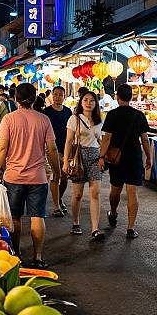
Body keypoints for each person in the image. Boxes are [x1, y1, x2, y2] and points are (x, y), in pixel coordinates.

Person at [0, 83, 60, 268]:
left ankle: (17, 253)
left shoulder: (8, 119)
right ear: (35, 98)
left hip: (13, 176)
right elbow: (52, 149)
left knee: (14, 217)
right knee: (37, 216)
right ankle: (38, 256)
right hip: (38, 177)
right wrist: (57, 170)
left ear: (15, 98)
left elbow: (2, 147)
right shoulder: (44, 119)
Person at [99, 84, 152, 238]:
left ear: (117, 97)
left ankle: (113, 212)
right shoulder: (139, 115)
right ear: (132, 97)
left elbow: (107, 138)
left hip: (117, 158)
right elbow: (145, 139)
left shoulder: (112, 114)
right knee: (132, 192)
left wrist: (101, 156)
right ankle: (130, 228)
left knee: (115, 188)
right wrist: (148, 157)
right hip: (134, 156)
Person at [62, 91, 104, 240]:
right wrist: (66, 161)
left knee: (95, 193)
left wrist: (102, 156)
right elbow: (68, 141)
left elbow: (101, 141)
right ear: (81, 102)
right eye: (85, 100)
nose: (88, 103)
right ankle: (75, 222)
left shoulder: (100, 120)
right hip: (79, 157)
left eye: (92, 100)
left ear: (96, 103)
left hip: (95, 157)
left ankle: (95, 228)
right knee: (78, 194)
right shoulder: (74, 119)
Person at [44, 86, 73, 217]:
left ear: (64, 96)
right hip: (51, 149)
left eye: (60, 95)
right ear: (52, 96)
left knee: (65, 177)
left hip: (65, 148)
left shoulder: (68, 112)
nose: (57, 97)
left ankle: (59, 198)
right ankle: (56, 207)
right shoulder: (46, 113)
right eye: (55, 94)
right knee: (56, 175)